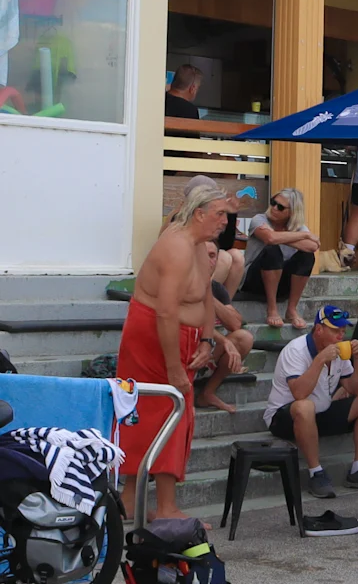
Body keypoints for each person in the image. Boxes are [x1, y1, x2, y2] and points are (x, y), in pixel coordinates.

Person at [117, 182, 230, 521]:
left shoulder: (199, 246)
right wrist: (174, 368)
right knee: (165, 412)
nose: (225, 221)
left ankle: (132, 500)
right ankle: (164, 507)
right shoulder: (177, 246)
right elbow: (165, 312)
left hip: (182, 338)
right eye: (220, 214)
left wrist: (207, 339)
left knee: (168, 414)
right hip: (154, 338)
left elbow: (205, 295)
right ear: (200, 214)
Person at [263, 304, 358, 499]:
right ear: (319, 329)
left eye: (343, 330)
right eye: (335, 330)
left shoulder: (339, 351)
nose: (341, 335)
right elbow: (299, 393)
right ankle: (315, 472)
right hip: (283, 417)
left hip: (319, 412)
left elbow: (357, 390)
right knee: (304, 406)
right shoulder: (296, 350)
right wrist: (319, 360)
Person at [239, 188, 319, 329]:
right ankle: (272, 309)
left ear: (292, 212)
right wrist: (304, 235)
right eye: (273, 202)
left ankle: (291, 310)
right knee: (272, 250)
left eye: (280, 207)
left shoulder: (297, 227)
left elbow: (313, 246)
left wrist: (280, 237)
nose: (274, 208)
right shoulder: (259, 219)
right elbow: (270, 238)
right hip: (252, 280)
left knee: (307, 256)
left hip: (281, 281)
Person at [194, 240, 255, 414]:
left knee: (244, 338)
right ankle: (184, 394)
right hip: (186, 347)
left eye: (212, 256)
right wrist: (223, 341)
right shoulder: (183, 284)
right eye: (203, 255)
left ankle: (207, 393)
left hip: (209, 349)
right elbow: (189, 324)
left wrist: (208, 294)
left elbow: (235, 323)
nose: (208, 260)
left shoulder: (216, 288)